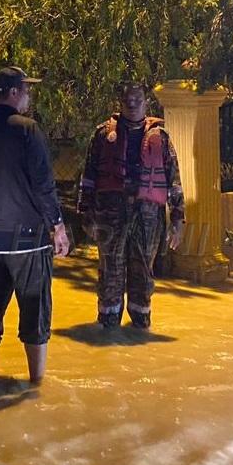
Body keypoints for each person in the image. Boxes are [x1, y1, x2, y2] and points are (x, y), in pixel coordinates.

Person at [0, 66, 71, 386]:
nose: (29, 96)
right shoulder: (29, 131)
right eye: (26, 90)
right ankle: (36, 385)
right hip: (30, 240)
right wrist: (58, 226)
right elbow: (43, 184)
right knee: (35, 311)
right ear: (13, 92)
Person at [76, 82, 185, 330]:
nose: (133, 105)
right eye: (128, 101)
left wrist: (178, 219)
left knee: (143, 270)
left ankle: (140, 325)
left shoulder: (161, 139)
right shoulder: (103, 135)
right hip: (110, 214)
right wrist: (85, 213)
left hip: (148, 216)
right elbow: (89, 176)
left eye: (138, 100)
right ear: (120, 104)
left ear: (146, 102)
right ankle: (108, 326)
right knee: (110, 269)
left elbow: (173, 181)